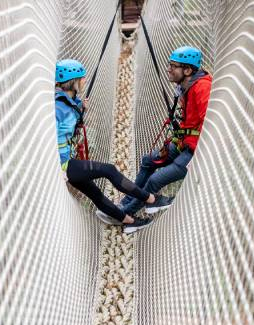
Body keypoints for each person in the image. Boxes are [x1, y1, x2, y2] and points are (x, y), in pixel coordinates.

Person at [55, 59, 171, 234]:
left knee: (95, 194)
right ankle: (151, 199)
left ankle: (130, 222)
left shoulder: (69, 102)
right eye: (82, 78)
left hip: (67, 162)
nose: (84, 81)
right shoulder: (57, 107)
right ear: (74, 81)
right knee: (109, 170)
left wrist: (80, 108)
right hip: (63, 165)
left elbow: (70, 125)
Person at [120, 46, 212, 214]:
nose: (168, 69)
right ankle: (125, 202)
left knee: (155, 180)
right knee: (148, 160)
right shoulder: (187, 86)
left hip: (196, 152)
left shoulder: (202, 88)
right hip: (183, 143)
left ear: (187, 70)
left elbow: (210, 123)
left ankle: (125, 213)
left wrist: (195, 151)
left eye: (173, 66)